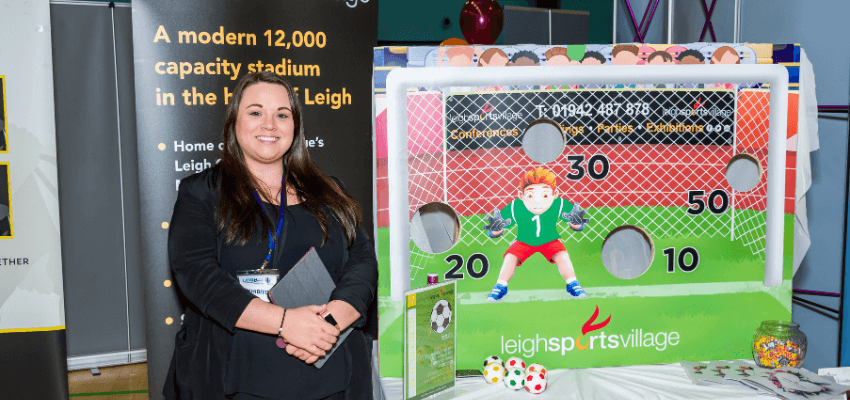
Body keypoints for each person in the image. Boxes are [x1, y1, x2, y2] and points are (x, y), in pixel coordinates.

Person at [163, 71, 378, 399]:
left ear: (295, 126)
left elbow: (362, 260)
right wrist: (285, 323)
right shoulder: (201, 193)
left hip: (331, 368)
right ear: (235, 122)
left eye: (282, 114)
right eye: (255, 112)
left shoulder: (330, 190)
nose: (269, 124)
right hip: (238, 376)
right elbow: (198, 277)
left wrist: (330, 324)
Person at [483, 168, 590, 302]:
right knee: (510, 256)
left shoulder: (559, 204)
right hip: (524, 240)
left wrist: (576, 223)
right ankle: (500, 286)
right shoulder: (515, 206)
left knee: (562, 254)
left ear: (554, 194)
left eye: (545, 195)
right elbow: (497, 227)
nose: (538, 202)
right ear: (521, 196)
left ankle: (572, 283)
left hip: (549, 239)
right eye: (531, 196)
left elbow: (576, 224)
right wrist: (495, 230)